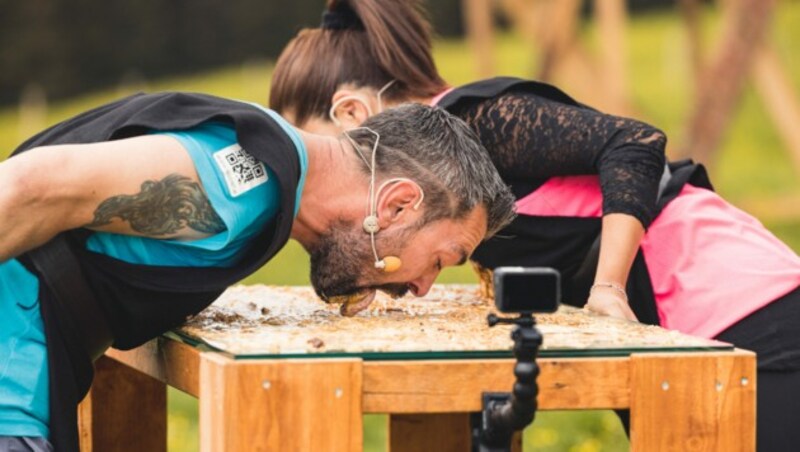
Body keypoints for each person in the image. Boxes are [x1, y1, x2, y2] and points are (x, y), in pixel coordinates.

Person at [269, 1, 800, 450]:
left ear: (352, 116)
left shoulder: (472, 123)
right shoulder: (427, 181)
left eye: (314, 146)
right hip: (672, 322)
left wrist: (608, 286)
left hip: (733, 300)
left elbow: (634, 143)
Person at [0, 92, 516, 451]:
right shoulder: (243, 187)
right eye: (442, 260)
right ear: (399, 205)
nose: (422, 288)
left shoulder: (264, 157)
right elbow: (31, 188)